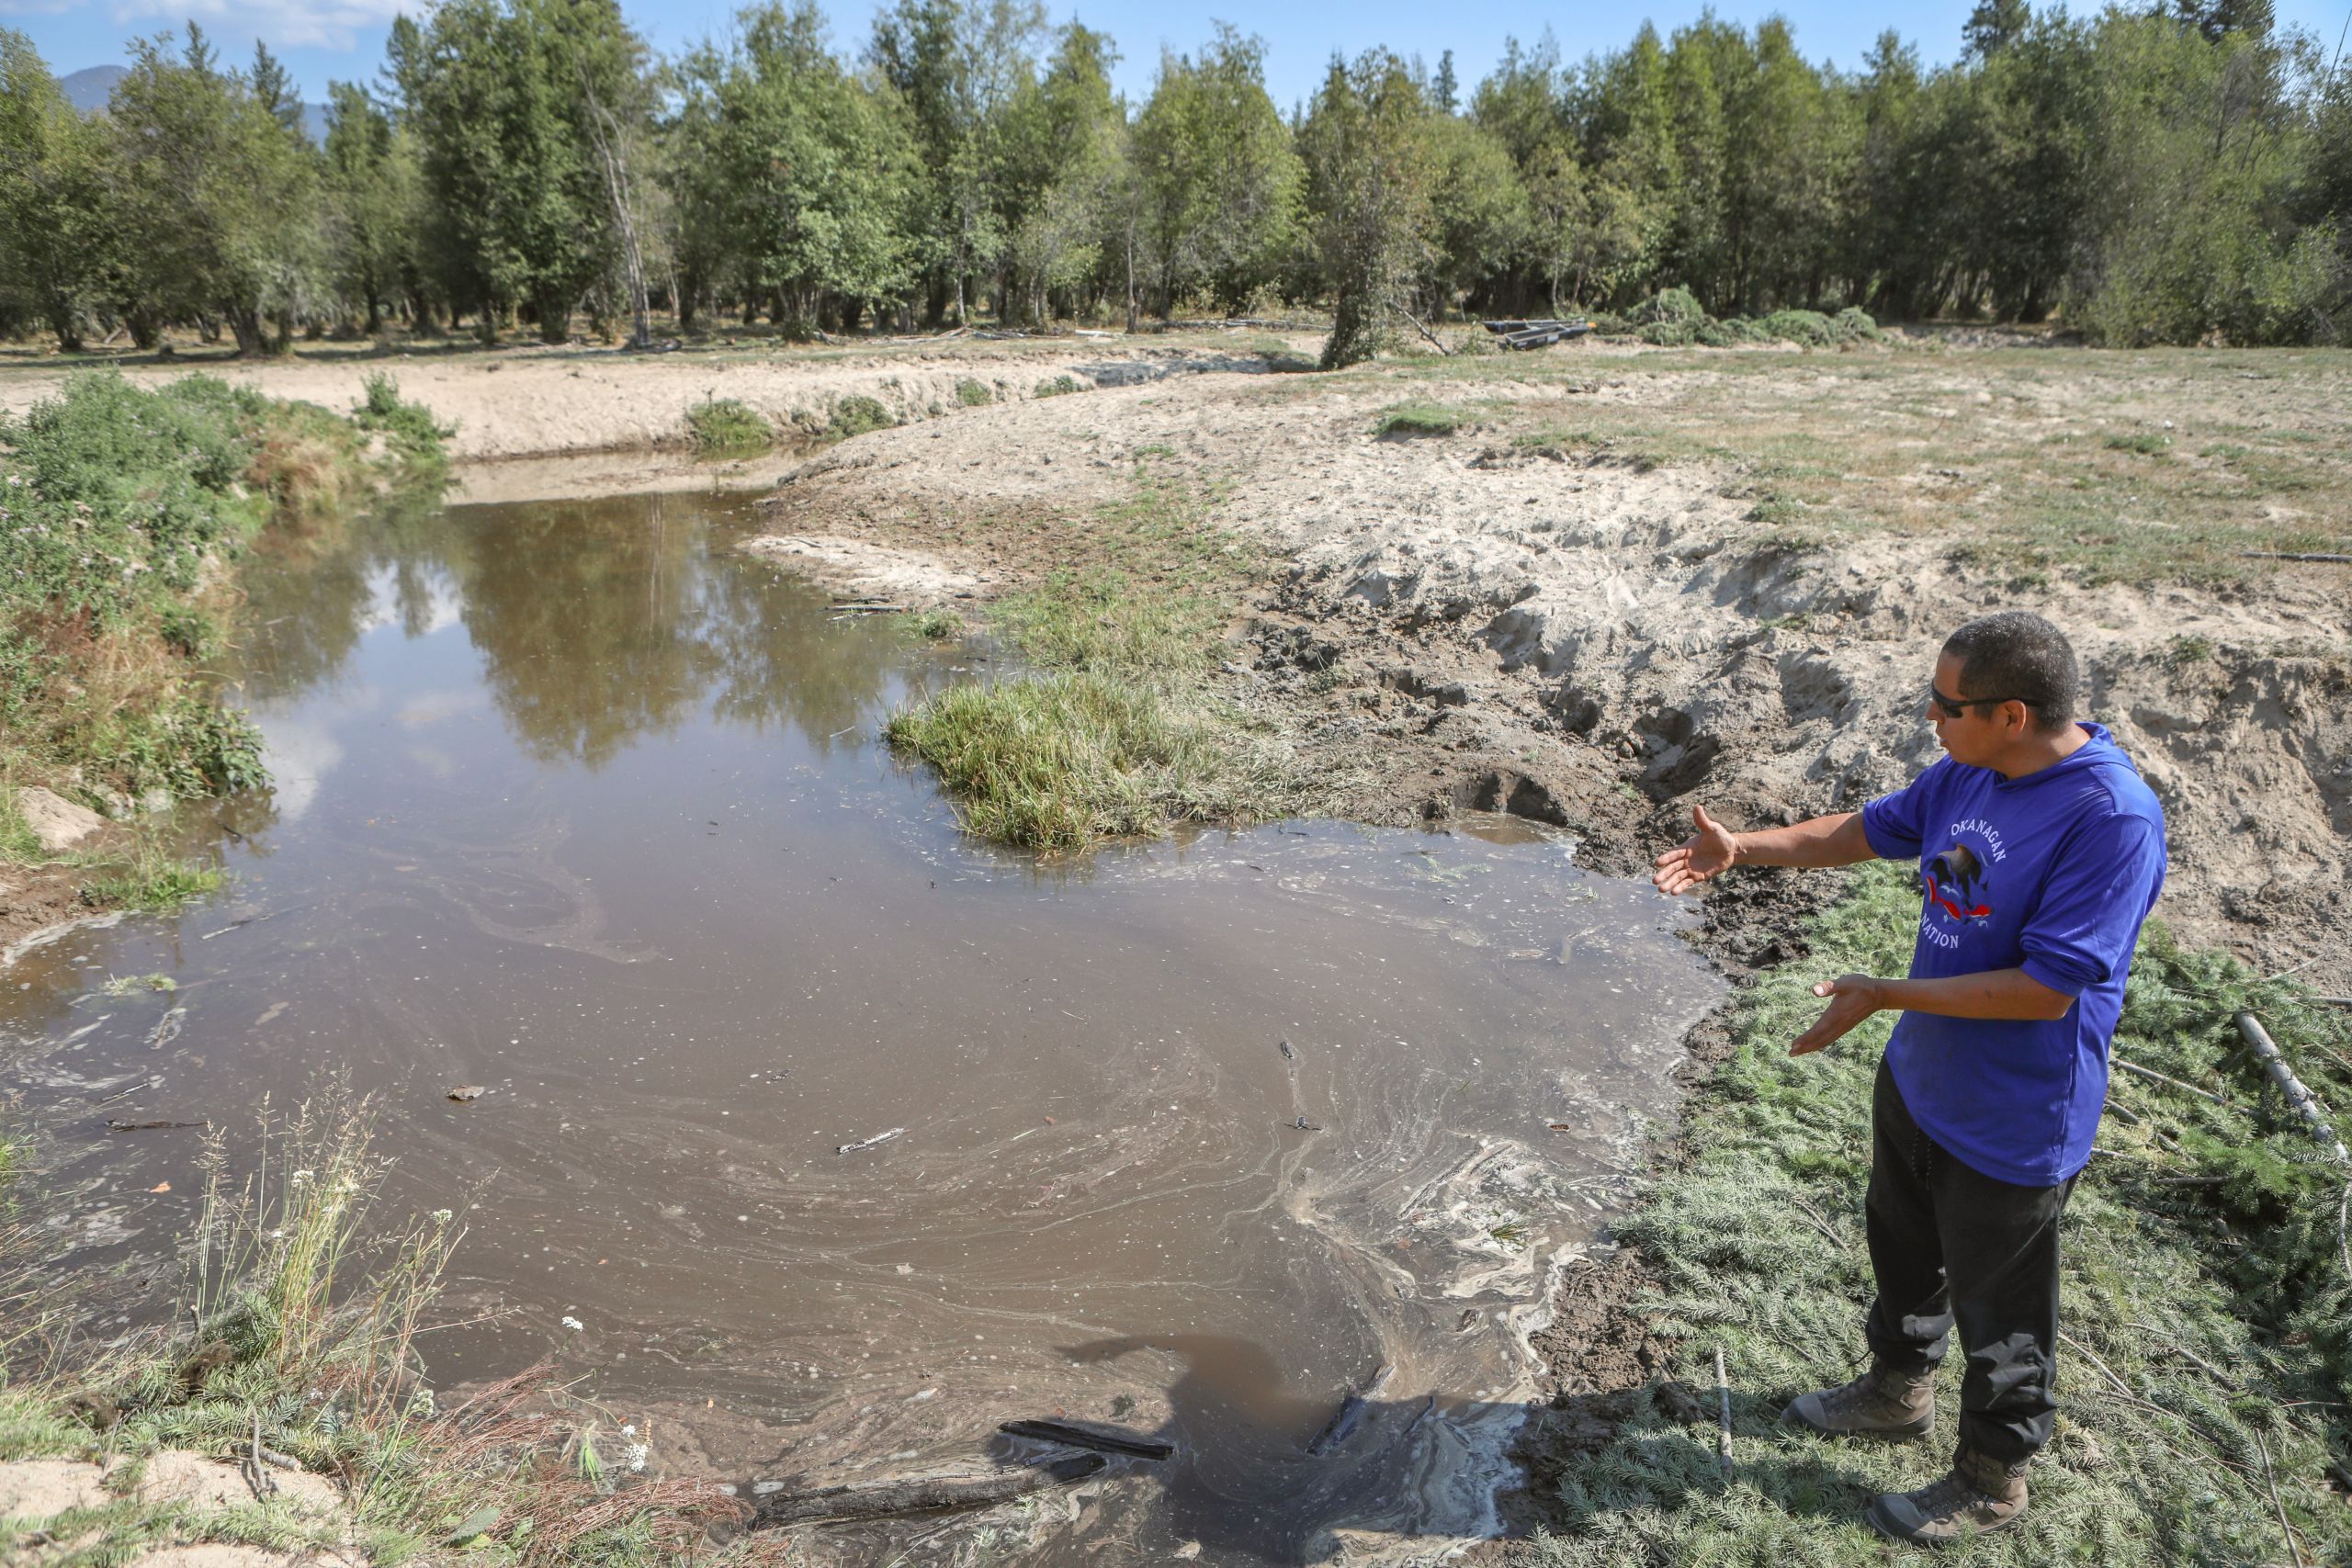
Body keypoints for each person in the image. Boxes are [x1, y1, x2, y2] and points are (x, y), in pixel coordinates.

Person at [1651, 611, 2166, 1544]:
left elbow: (2047, 991)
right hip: (1923, 1079)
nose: (1929, 716)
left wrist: (1887, 992)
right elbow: (1872, 829)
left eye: (1944, 702)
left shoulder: (2109, 818)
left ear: (2011, 712)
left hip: (2016, 1117)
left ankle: (1990, 1479)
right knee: (1903, 1253)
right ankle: (1896, 1392)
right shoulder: (1973, 769)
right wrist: (1744, 850)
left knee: (2002, 1315)